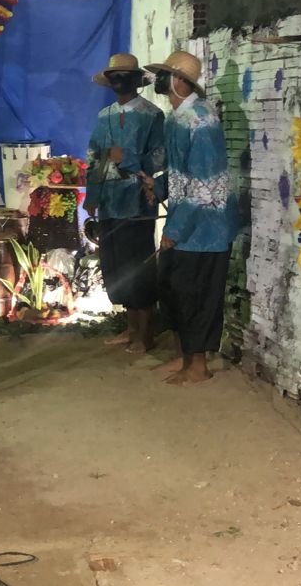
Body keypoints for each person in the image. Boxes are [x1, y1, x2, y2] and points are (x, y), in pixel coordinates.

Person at [146, 50, 235, 386]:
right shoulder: (177, 119)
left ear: (181, 82)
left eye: (165, 75)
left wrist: (175, 229)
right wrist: (159, 186)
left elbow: (204, 186)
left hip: (205, 228)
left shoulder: (201, 121)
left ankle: (198, 366)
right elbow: (180, 172)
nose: (159, 80)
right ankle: (184, 356)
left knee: (196, 295)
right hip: (186, 224)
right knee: (174, 291)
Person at [85, 53, 167, 353]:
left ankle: (146, 334)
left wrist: (129, 159)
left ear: (136, 80)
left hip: (137, 203)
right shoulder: (103, 115)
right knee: (116, 266)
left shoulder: (152, 115)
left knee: (138, 267)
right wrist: (92, 195)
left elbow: (162, 155)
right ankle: (131, 329)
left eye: (124, 76)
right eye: (114, 76)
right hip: (109, 203)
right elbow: (94, 155)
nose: (119, 81)